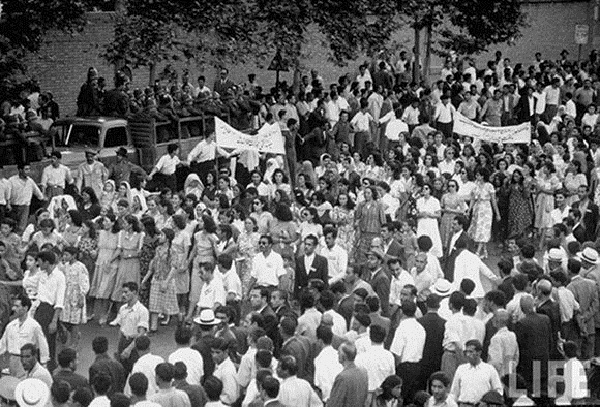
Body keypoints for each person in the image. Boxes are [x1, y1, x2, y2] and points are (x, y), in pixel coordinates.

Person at [0, 293, 49, 378]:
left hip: (26, 360)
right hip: (12, 360)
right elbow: (2, 343)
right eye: (14, 306)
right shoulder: (11, 326)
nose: (14, 309)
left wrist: (44, 363)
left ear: (25, 308)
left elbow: (43, 344)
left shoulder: (34, 325)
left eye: (17, 306)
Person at [34, 250, 66, 372]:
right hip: (38, 307)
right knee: (37, 339)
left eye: (40, 262)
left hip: (50, 311)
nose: (38, 264)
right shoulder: (41, 274)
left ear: (47, 262)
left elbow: (59, 301)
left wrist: (54, 320)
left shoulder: (59, 277)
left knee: (49, 340)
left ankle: (50, 367)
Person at [390, 300, 426, 403]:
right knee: (412, 399)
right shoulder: (420, 328)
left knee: (400, 399)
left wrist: (396, 370)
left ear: (401, 312)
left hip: (404, 368)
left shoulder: (402, 327)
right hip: (418, 367)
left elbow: (397, 352)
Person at [515, 294, 551, 392]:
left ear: (522, 309)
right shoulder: (545, 319)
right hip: (544, 359)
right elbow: (550, 340)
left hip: (528, 364)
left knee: (531, 391)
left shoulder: (521, 323)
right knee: (543, 390)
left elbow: (519, 345)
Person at [110, 282, 149, 372]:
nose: (123, 295)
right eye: (123, 292)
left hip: (135, 344)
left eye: (126, 292)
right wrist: (119, 347)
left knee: (134, 370)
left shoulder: (142, 310)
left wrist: (129, 349)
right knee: (121, 370)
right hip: (123, 341)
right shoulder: (122, 308)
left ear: (134, 292)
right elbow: (121, 328)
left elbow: (141, 333)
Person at [450, 339, 502, 405]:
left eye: (471, 352)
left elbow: (498, 391)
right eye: (467, 352)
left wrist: (488, 401)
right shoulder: (461, 369)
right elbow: (454, 393)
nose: (468, 354)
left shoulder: (490, 370)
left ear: (479, 353)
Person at [355, 324, 395, 405]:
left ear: (369, 337)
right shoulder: (389, 356)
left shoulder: (360, 358)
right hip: (383, 397)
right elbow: (392, 378)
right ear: (384, 338)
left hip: (365, 397)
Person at [417, 293, 446, 391]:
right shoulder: (444, 323)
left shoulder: (419, 322)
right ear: (439, 305)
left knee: (421, 388)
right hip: (437, 360)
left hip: (422, 359)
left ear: (426, 304)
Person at [327, 343, 369, 407]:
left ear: (344, 356)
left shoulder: (342, 377)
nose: (337, 354)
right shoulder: (363, 373)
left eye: (339, 352)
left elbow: (335, 403)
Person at [7, 164, 45, 233]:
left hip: (25, 207)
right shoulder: (11, 180)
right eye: (26, 169)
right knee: (12, 226)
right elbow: (8, 193)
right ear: (20, 170)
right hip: (13, 206)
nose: (28, 171)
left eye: (29, 169)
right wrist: (8, 204)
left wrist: (42, 197)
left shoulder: (30, 181)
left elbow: (38, 193)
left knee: (22, 227)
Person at [314, 325, 343, 403]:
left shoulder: (319, 360)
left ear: (319, 341)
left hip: (328, 400)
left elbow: (319, 384)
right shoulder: (338, 356)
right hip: (341, 398)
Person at [487, 309, 519, 378]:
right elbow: (516, 357)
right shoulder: (512, 335)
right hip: (511, 374)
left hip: (500, 376)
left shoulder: (496, 339)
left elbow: (495, 362)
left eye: (494, 317)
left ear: (498, 321)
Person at [211, 337, 239, 405]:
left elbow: (230, 397)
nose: (214, 355)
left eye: (217, 352)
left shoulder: (227, 371)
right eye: (212, 352)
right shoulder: (219, 365)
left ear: (226, 352)